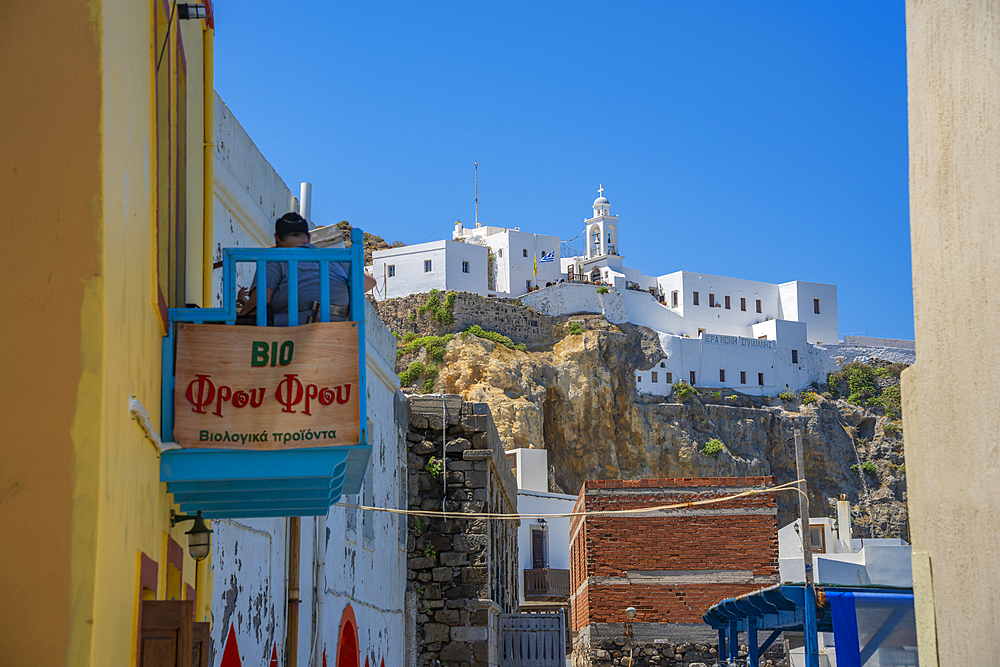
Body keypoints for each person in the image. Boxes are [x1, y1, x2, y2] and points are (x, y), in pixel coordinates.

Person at [239, 212, 376, 326]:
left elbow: (255, 308)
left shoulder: (275, 261)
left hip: (290, 339)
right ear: (309, 238)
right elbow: (371, 282)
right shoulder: (338, 261)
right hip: (337, 338)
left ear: (276, 238)